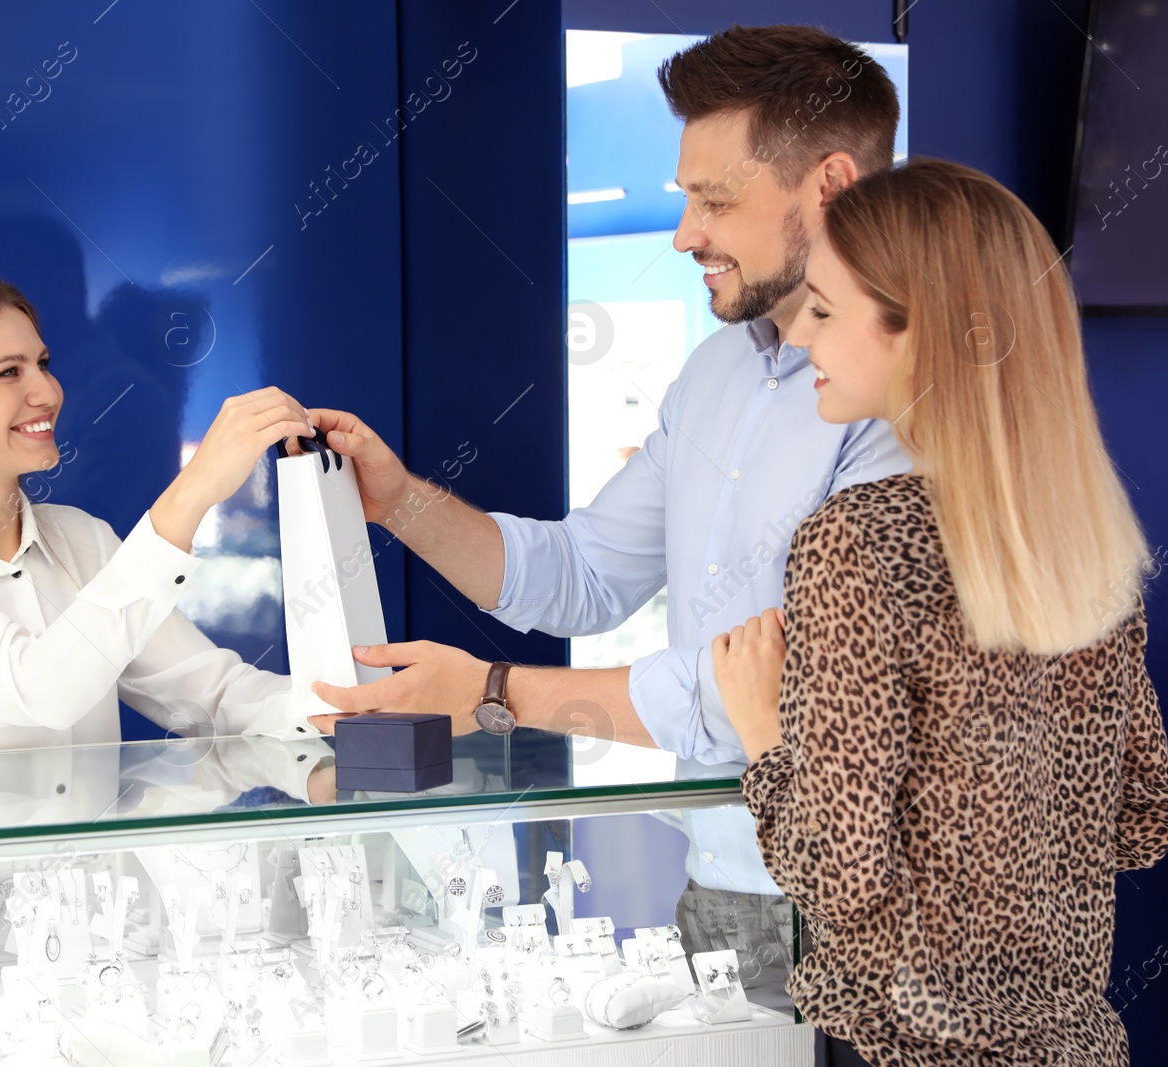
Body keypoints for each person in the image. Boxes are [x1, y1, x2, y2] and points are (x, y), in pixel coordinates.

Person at [305, 25, 907, 1008]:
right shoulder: (716, 371)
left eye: (714, 199)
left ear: (830, 184)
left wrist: (495, 689)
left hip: (854, 902)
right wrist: (400, 500)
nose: (684, 232)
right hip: (717, 881)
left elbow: (788, 682)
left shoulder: (905, 398)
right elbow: (585, 574)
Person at [711, 159, 1168, 1066]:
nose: (802, 338)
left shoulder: (857, 540)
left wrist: (765, 739)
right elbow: (1148, 812)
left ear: (919, 331)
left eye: (825, 309)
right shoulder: (1089, 547)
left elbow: (843, 877)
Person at [0, 268, 327, 797]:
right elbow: (37, 689)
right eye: (10, 372)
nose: (48, 391)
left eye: (43, 364)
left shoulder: (84, 541)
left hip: (89, 879)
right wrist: (190, 494)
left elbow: (215, 697)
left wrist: (355, 711)